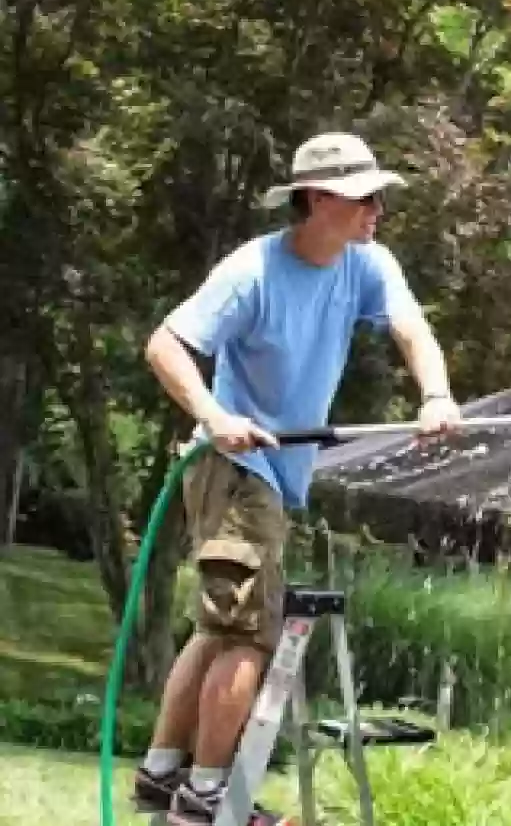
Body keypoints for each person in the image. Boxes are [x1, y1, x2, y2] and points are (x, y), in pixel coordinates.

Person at [131, 132, 463, 825]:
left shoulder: (365, 264)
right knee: (250, 634)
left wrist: (434, 394)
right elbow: (165, 345)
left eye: (379, 197)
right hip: (233, 464)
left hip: (277, 473)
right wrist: (216, 414)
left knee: (218, 629)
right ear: (316, 200)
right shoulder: (252, 271)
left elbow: (411, 330)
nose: (376, 210)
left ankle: (164, 775)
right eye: (362, 198)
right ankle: (209, 794)